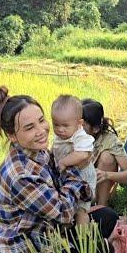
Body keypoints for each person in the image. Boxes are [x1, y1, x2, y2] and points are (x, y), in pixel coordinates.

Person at [0, 86, 117, 253]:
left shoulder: (39, 152)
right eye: (29, 127)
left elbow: (64, 179)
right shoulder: (21, 175)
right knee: (104, 252)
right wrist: (79, 168)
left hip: (47, 230)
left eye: (41, 120)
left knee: (108, 217)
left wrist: (72, 169)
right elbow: (64, 212)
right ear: (12, 135)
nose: (41, 131)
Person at [50, 94, 97, 227]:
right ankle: (69, 233)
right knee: (68, 208)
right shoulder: (61, 136)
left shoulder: (80, 136)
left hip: (83, 179)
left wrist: (63, 162)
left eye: (65, 125)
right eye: (56, 124)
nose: (60, 129)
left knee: (81, 210)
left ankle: (84, 237)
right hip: (67, 178)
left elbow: (82, 155)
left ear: (79, 124)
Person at [82, 98, 127, 206]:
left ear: (96, 129)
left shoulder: (110, 141)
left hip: (98, 188)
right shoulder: (70, 134)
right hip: (79, 188)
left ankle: (102, 206)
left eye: (82, 125)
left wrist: (106, 175)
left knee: (107, 157)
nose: (77, 127)